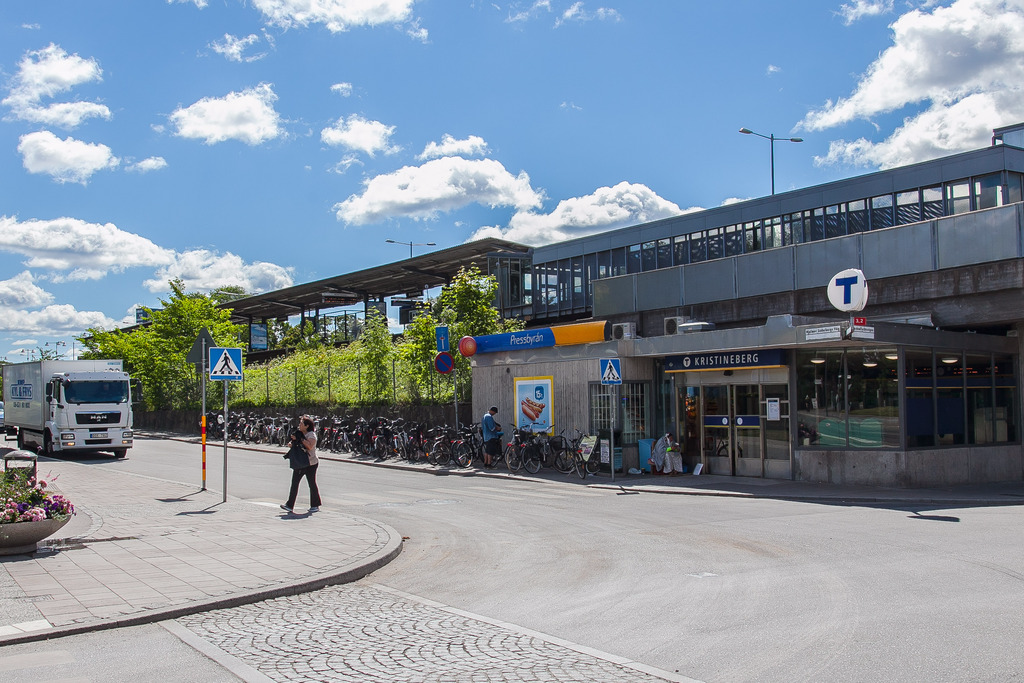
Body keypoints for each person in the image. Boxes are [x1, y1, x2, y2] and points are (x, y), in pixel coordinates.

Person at [281, 415, 322, 513]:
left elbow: (309, 446)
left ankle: (315, 505)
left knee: (312, 484)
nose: (299, 425)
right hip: (300, 462)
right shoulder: (299, 433)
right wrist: (292, 442)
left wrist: (301, 439)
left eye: (301, 423)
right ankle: (289, 505)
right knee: (295, 483)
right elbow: (293, 444)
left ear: (307, 426)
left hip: (310, 463)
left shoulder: (311, 435)